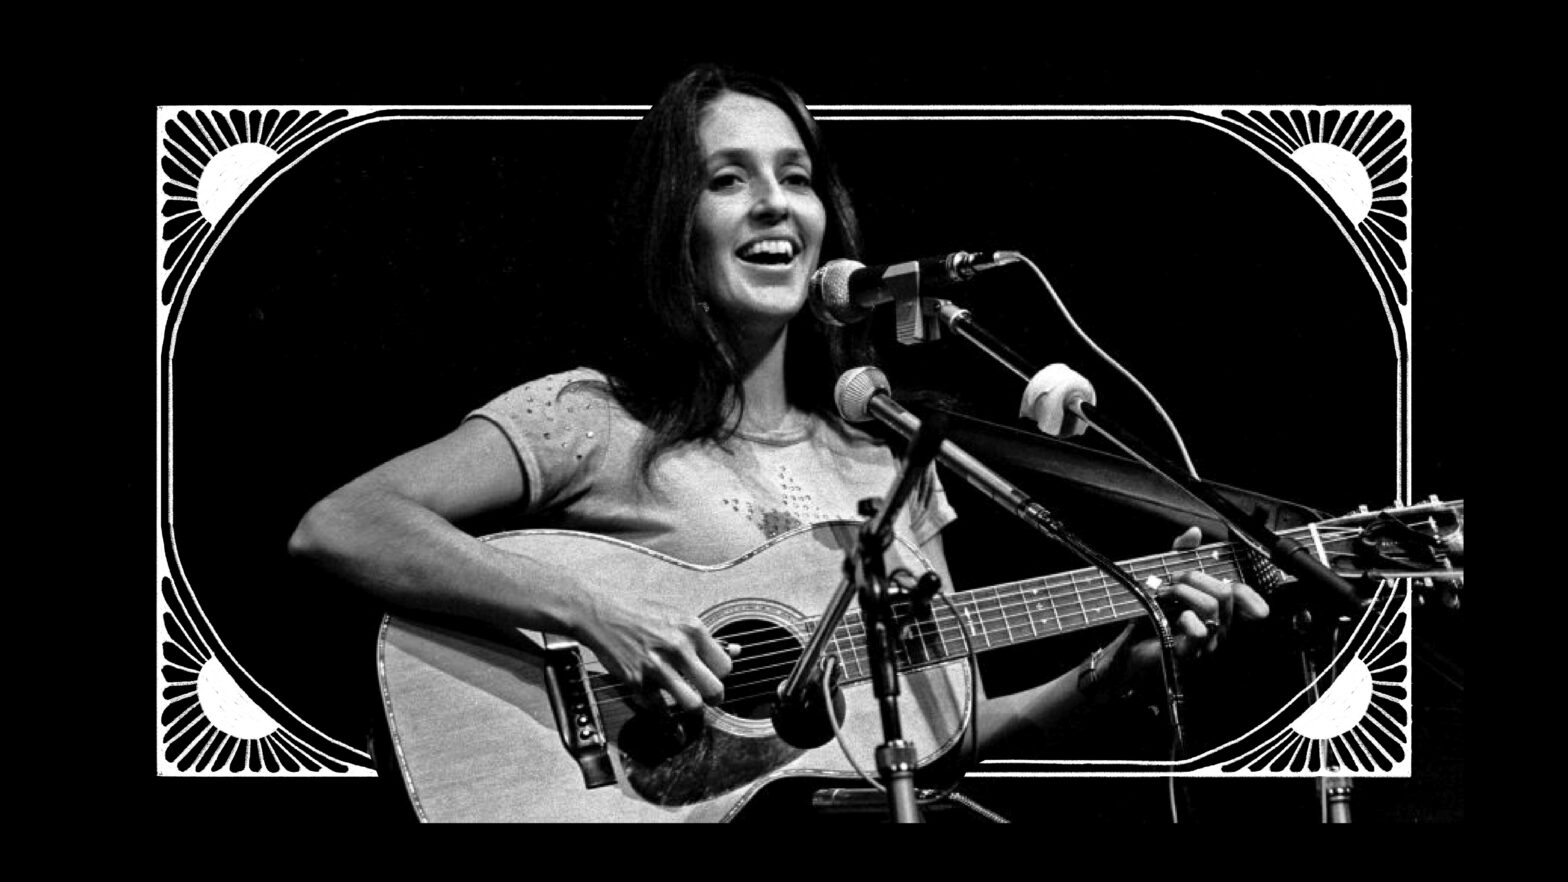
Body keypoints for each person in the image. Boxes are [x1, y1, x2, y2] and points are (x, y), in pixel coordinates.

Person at [287, 63, 1268, 820]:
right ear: (675, 225)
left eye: (793, 178)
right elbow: (344, 526)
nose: (772, 203)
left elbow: (941, 734)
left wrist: (1111, 670)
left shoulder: (884, 460)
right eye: (727, 178)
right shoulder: (591, 415)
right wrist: (597, 615)